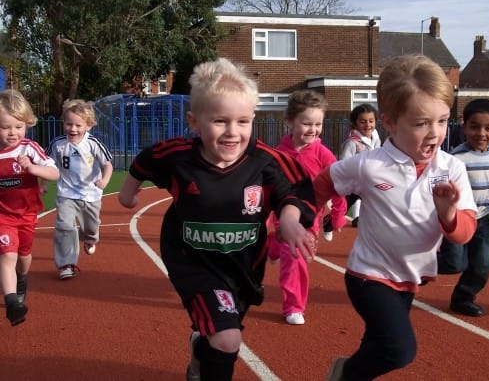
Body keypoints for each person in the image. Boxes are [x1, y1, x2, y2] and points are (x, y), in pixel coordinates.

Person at [117, 58, 317, 381]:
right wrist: (128, 195)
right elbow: (145, 161)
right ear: (195, 122)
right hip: (191, 261)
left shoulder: (265, 161)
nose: (232, 132)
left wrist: (290, 220)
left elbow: (294, 191)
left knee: (222, 336)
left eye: (242, 121)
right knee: (227, 339)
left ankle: (199, 353)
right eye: (220, 121)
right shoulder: (179, 156)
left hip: (243, 266)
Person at [313, 54, 478, 380]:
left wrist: (448, 215)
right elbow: (322, 183)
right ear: (388, 121)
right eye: (421, 123)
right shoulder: (369, 164)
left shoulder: (451, 168)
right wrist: (306, 221)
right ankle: (345, 373)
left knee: (377, 345)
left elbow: (465, 233)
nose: (434, 133)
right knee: (399, 349)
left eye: (443, 121)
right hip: (368, 275)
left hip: (410, 279)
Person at [267, 90, 346, 325]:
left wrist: (339, 214)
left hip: (310, 218)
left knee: (297, 254)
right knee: (294, 255)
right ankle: (293, 306)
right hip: (282, 214)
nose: (313, 129)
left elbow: (339, 183)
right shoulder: (277, 154)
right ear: (290, 122)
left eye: (318, 124)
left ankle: (275, 244)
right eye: (307, 123)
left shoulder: (323, 154)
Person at [438, 98, 489, 317]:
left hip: (482, 220)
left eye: (488, 128)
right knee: (454, 263)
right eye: (474, 127)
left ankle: (463, 298)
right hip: (458, 218)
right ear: (464, 127)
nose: (481, 133)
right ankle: (416, 265)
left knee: (483, 264)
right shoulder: (455, 159)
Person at [0, 90, 59, 326]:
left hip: (27, 214)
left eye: (18, 127)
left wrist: (33, 169)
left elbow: (53, 173)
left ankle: (22, 278)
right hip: (3, 215)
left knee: (23, 257)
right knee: (7, 255)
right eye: (5, 127)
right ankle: (12, 302)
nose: (12, 133)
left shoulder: (29, 148)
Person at [44, 99, 113, 280]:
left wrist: (104, 180)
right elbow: (46, 164)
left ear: (88, 126)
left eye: (78, 125)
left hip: (91, 194)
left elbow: (108, 164)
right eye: (69, 124)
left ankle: (90, 238)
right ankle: (67, 264)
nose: (72, 129)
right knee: (65, 226)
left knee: (91, 227)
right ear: (64, 124)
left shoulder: (94, 144)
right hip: (66, 193)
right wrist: (42, 184)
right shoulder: (58, 144)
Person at [338, 103, 381, 228]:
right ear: (355, 123)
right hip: (355, 179)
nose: (368, 125)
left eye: (371, 121)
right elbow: (344, 161)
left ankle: (359, 217)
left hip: (370, 177)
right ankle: (330, 221)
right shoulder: (352, 143)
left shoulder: (376, 139)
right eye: (363, 122)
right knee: (346, 204)